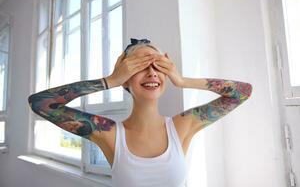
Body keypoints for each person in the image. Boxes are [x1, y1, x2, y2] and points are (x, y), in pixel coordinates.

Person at [28, 38, 253, 187]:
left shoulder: (182, 126)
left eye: (158, 66)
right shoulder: (109, 134)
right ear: (126, 80)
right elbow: (41, 103)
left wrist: (182, 81)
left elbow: (242, 92)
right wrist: (109, 81)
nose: (152, 73)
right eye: (140, 66)